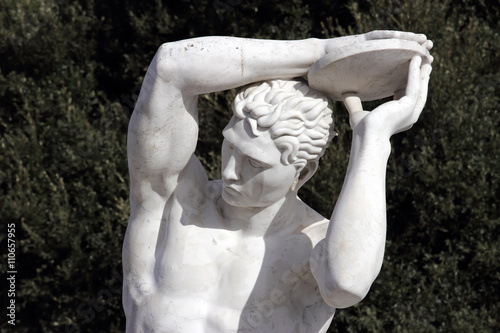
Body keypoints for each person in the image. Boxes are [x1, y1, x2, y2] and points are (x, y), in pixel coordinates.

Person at [122, 31, 433, 333]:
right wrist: (319, 52)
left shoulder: (315, 245)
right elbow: (171, 66)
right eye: (229, 147)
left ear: (304, 172)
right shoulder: (174, 202)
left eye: (254, 163)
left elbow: (347, 284)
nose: (229, 171)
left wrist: (373, 141)